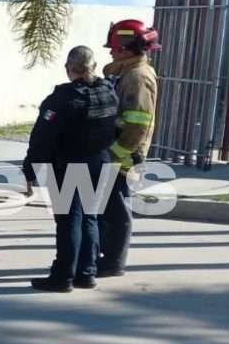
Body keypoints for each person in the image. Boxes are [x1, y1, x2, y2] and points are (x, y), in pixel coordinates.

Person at [23, 46, 119, 293]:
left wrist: (30, 168)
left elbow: (42, 137)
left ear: (68, 68)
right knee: (89, 217)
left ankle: (63, 276)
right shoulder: (109, 92)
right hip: (100, 162)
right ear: (94, 67)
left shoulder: (62, 99)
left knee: (68, 221)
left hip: (70, 164)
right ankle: (86, 273)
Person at [98, 20, 160, 278]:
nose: (110, 52)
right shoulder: (125, 72)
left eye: (114, 47)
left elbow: (138, 124)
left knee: (116, 209)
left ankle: (113, 262)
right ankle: (104, 256)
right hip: (114, 150)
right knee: (105, 206)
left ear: (126, 48)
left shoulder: (137, 77)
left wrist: (116, 154)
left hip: (122, 154)